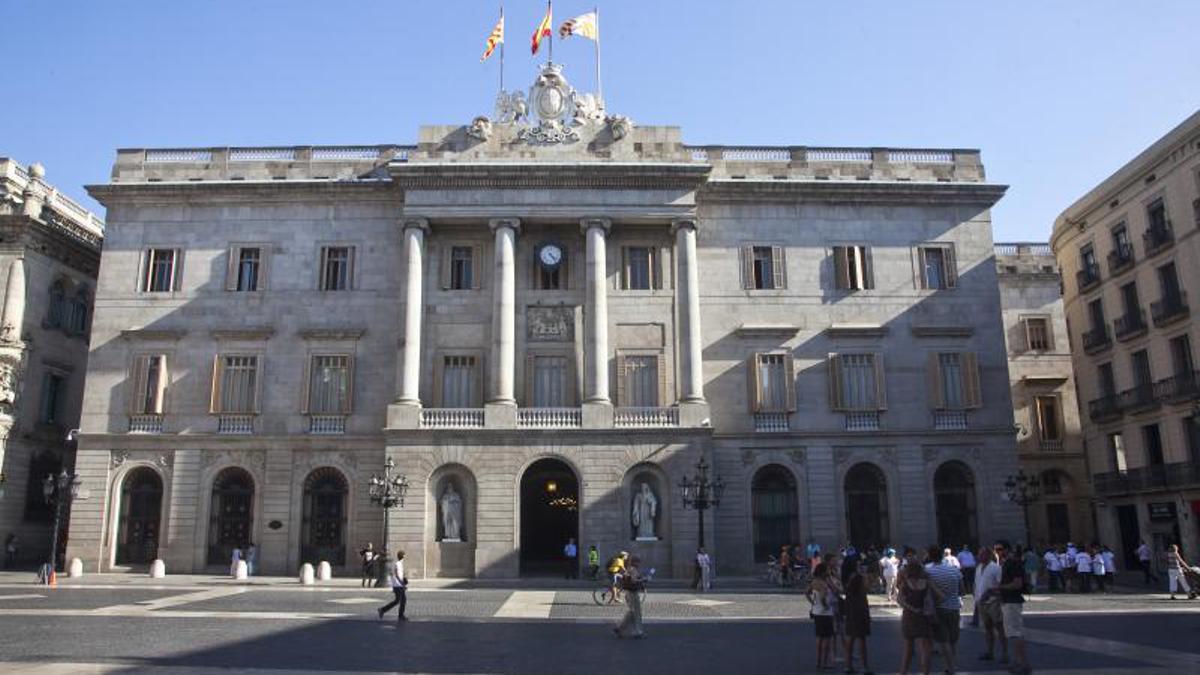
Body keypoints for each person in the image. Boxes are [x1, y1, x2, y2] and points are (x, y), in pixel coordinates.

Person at [896, 549, 938, 675]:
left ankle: (903, 671)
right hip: (923, 615)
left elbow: (900, 601)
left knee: (908, 646)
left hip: (910, 616)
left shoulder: (905, 583)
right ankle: (926, 672)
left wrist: (912, 608)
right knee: (925, 647)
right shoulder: (926, 583)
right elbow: (932, 599)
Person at [995, 540, 1032, 675]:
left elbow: (1017, 584)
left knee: (1015, 633)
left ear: (1007, 549)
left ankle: (1022, 664)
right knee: (1013, 634)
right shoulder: (1007, 563)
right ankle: (1019, 662)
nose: (998, 552)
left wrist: (1000, 587)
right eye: (996, 550)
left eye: (1000, 549)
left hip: (1012, 602)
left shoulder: (1013, 563)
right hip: (1008, 601)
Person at [926, 545, 963, 675]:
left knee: (943, 641)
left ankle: (951, 668)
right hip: (954, 607)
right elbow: (962, 590)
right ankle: (951, 666)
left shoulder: (928, 571)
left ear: (930, 556)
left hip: (939, 608)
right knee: (952, 640)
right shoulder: (954, 570)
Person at [973, 547, 1007, 664]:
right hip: (981, 602)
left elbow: (1000, 585)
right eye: (979, 554)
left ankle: (1005, 653)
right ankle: (990, 652)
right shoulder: (978, 568)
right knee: (987, 628)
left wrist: (994, 595)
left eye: (981, 554)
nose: (978, 556)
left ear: (987, 555)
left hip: (993, 602)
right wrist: (976, 598)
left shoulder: (996, 568)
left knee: (999, 627)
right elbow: (977, 584)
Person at [843, 561, 874, 675]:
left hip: (851, 610)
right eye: (859, 565)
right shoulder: (859, 579)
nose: (861, 567)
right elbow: (867, 590)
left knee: (850, 639)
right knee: (862, 640)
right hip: (860, 611)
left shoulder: (849, 580)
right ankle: (864, 667)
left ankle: (848, 665)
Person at [808, 562, 836, 671]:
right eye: (827, 570)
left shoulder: (814, 582)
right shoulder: (824, 584)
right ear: (823, 571)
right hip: (826, 613)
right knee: (827, 639)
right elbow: (824, 596)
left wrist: (813, 603)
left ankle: (818, 662)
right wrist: (826, 605)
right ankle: (824, 663)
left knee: (819, 638)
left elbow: (806, 592)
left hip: (816, 612)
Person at [613, 555, 646, 639]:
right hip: (633, 593)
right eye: (638, 562)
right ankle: (638, 632)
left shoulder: (628, 569)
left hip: (628, 593)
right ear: (635, 562)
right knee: (637, 613)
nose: (639, 564)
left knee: (631, 612)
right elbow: (634, 581)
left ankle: (620, 628)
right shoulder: (634, 570)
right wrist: (643, 580)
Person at [376, 550, 408, 621]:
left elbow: (399, 574)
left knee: (401, 600)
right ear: (402, 556)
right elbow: (397, 575)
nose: (404, 557)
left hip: (398, 585)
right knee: (399, 601)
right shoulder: (398, 564)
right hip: (398, 585)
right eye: (404, 556)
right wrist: (402, 583)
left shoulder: (399, 564)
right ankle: (383, 610)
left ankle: (384, 610)